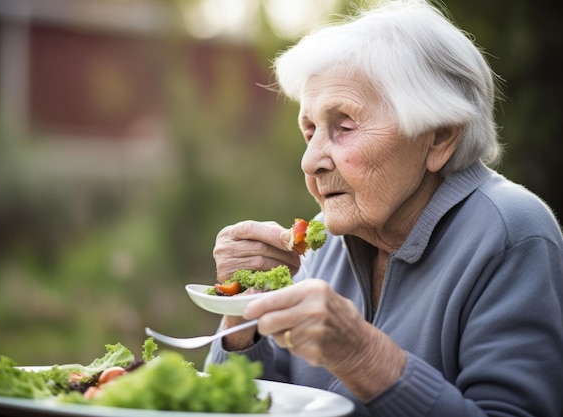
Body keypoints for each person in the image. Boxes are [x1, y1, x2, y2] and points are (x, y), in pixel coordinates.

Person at [204, 0, 563, 416]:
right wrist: (240, 318)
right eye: (309, 130)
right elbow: (250, 403)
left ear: (439, 138)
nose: (310, 161)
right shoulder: (327, 240)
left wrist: (365, 358)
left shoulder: (512, 232)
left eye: (345, 127)